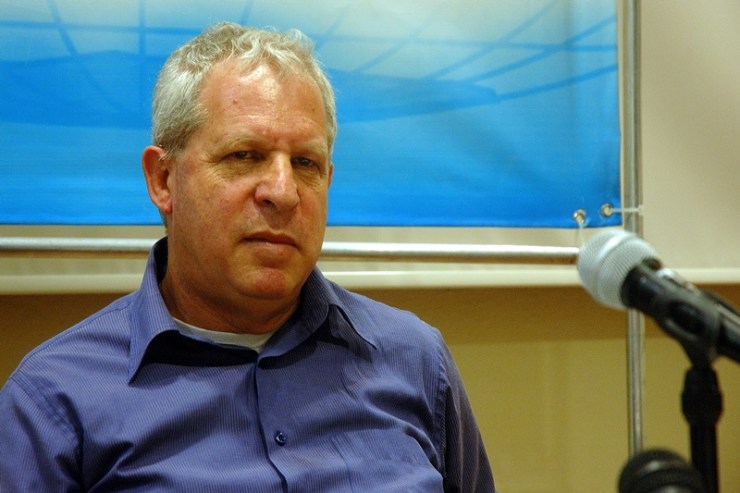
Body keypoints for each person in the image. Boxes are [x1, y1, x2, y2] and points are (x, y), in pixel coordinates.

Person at [0, 22, 496, 492]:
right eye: (244, 156)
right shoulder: (54, 402)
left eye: (305, 163)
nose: (283, 192)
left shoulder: (415, 360)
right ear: (163, 180)